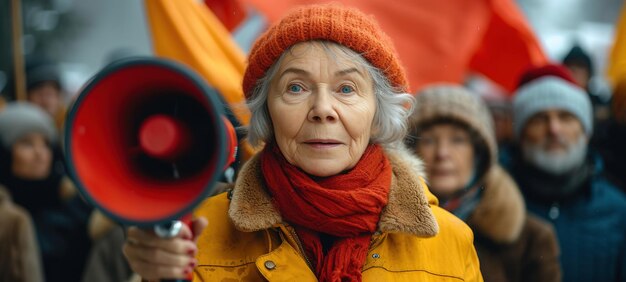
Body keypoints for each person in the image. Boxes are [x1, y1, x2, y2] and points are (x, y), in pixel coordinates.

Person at [122, 4, 482, 281]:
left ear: (377, 113)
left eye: (346, 89)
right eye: (296, 87)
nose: (322, 110)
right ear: (266, 113)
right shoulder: (197, 236)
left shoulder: (450, 241)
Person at [407, 85, 560, 282]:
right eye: (428, 140)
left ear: (479, 154)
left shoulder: (532, 238)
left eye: (458, 140)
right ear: (410, 151)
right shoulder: (386, 229)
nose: (442, 153)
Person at [506, 76, 626, 282]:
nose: (554, 129)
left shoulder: (617, 210)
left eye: (566, 117)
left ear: (585, 133)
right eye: (540, 118)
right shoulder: (494, 208)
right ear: (522, 134)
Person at [0, 102, 93, 282]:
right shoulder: (6, 218)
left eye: (45, 144)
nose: (40, 153)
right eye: (27, 143)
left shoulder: (76, 207)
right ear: (5, 153)